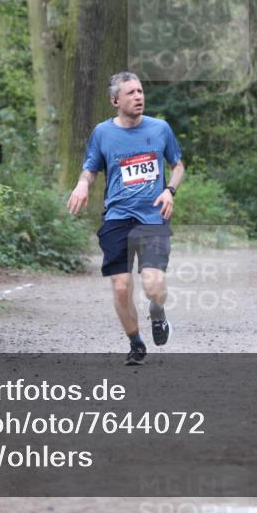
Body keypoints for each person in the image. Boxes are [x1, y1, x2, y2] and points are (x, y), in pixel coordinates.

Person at [67, 72, 185, 365]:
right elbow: (90, 168)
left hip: (153, 217)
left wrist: (170, 190)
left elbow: (178, 165)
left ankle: (157, 313)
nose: (138, 97)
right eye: (131, 92)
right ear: (115, 100)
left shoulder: (160, 129)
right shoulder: (103, 133)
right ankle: (135, 343)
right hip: (117, 218)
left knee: (153, 285)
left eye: (141, 91)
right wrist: (83, 183)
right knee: (121, 287)